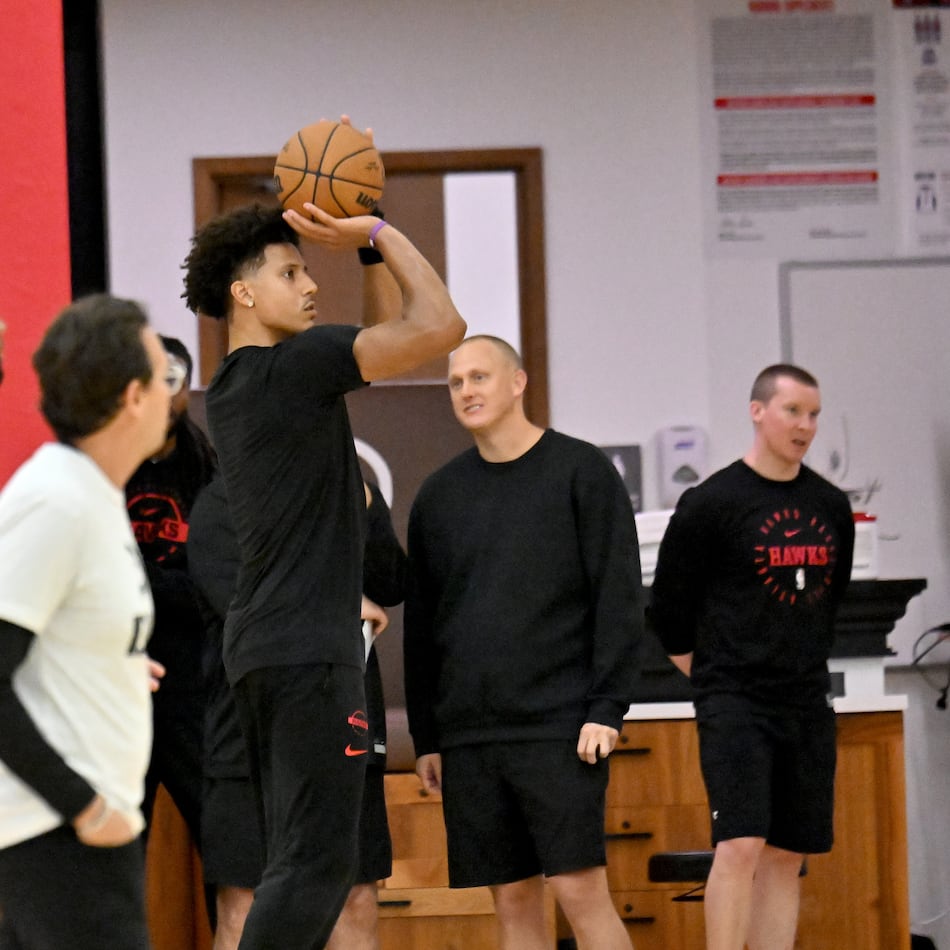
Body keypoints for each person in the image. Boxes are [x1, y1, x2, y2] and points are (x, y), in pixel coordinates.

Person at [180, 116, 466, 948]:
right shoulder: (292, 370)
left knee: (303, 861)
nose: (311, 284)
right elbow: (440, 327)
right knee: (314, 865)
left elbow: (385, 340)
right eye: (292, 271)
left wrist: (368, 252)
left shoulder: (248, 381)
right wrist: (375, 230)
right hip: (307, 649)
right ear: (244, 294)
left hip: (272, 648)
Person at [403, 335, 642, 950]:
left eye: (479, 377)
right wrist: (429, 737)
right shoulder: (438, 496)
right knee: (511, 901)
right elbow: (424, 626)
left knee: (580, 891)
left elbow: (617, 598)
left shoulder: (582, 472)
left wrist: (607, 707)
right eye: (456, 382)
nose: (466, 391)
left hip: (559, 726)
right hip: (471, 735)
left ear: (518, 382)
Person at [646, 363, 855, 950]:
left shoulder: (829, 504)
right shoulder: (712, 503)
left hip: (805, 701)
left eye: (813, 415)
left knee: (788, 855)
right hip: (735, 702)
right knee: (740, 845)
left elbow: (830, 598)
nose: (805, 426)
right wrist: (715, 678)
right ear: (757, 412)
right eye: (793, 411)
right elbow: (668, 610)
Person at [0, 294, 171, 949]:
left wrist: (110, 664)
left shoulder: (90, 495)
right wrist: (85, 806)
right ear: (133, 397)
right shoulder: (57, 500)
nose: (172, 392)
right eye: (163, 376)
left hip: (74, 839)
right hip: (60, 839)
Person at [188, 473, 406, 950]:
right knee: (244, 904)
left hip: (346, 728)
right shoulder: (221, 502)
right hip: (248, 743)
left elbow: (391, 581)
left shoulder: (351, 486)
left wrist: (365, 505)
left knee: (355, 899)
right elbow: (244, 610)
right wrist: (340, 605)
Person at [125, 335, 216, 845]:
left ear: (187, 388)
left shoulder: (210, 470)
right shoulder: (107, 466)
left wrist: (141, 578)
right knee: (116, 852)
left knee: (225, 847)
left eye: (172, 378)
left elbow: (216, 587)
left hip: (192, 688)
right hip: (120, 684)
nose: (161, 392)